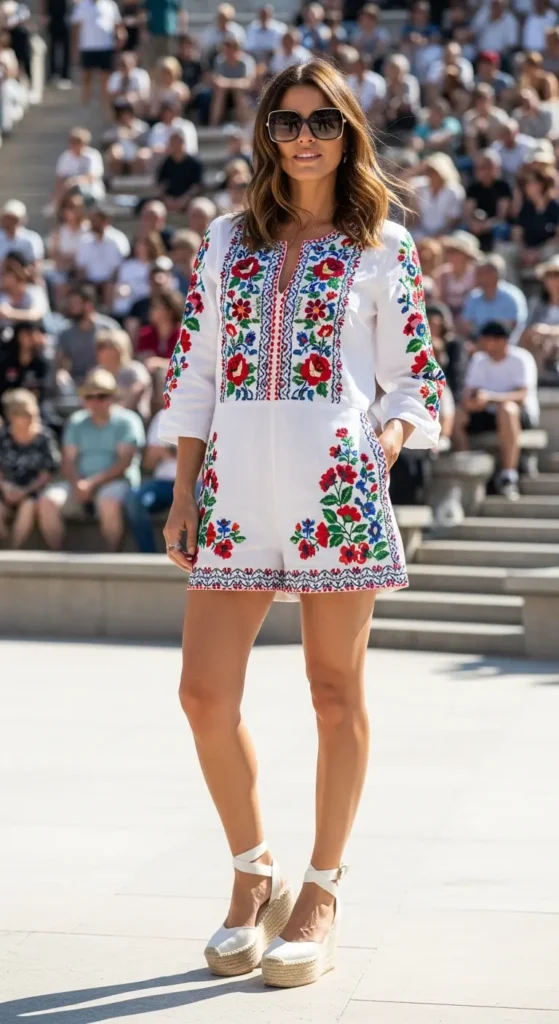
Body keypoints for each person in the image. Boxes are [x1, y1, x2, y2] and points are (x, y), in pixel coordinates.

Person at [158, 59, 444, 987]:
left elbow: (413, 374)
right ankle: (253, 875)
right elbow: (195, 374)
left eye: (323, 120)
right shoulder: (223, 240)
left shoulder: (380, 244)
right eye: (286, 122)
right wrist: (181, 489)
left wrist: (385, 441)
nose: (305, 136)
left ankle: (321, 889)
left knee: (332, 694)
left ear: (349, 130)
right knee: (203, 696)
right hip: (233, 490)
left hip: (336, 491)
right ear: (266, 135)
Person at [38, 367, 145, 550]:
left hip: (117, 482)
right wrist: (78, 484)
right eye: (90, 397)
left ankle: (111, 562)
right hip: (80, 483)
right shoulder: (76, 421)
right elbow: (68, 460)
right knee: (47, 501)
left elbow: (124, 463)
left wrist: (92, 483)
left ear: (112, 397)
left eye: (101, 396)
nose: (95, 402)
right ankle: (59, 561)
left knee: (108, 502)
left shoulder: (128, 421)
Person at [454, 320, 539, 500]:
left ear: (502, 341)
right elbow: (470, 392)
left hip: (519, 415)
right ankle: (465, 467)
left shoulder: (521, 358)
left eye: (487, 339)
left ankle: (509, 475)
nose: (483, 343)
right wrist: (471, 402)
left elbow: (522, 395)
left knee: (507, 410)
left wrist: (491, 398)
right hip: (487, 413)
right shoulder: (479, 359)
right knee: (458, 415)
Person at [0, 389, 60, 548]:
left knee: (28, 506)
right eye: (26, 414)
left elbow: (46, 474)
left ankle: (13, 551)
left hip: (34, 490)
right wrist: (5, 487)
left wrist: (24, 491)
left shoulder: (44, 437)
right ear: (12, 417)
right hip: (7, 490)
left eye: (34, 412)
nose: (32, 417)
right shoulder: (3, 438)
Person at [124, 406, 177, 551]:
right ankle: (148, 554)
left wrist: (169, 451)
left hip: (199, 484)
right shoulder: (163, 414)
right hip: (164, 484)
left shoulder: (209, 413)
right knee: (135, 498)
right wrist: (181, 452)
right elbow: (148, 462)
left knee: (206, 502)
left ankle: (199, 559)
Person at [56, 283, 120, 387]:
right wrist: (62, 374)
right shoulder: (66, 332)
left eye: (75, 303)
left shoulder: (109, 328)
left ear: (88, 305)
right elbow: (63, 362)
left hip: (106, 379)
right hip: (76, 383)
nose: (71, 307)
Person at [459, 254, 527, 344]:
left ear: (493, 274)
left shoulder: (512, 297)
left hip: (507, 347)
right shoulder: (473, 297)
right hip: (479, 346)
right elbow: (466, 326)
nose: (475, 275)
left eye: (480, 272)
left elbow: (515, 327)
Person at [71, 0, 126, 108]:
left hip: (106, 46)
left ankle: (104, 105)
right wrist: (75, 49)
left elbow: (118, 24)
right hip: (87, 47)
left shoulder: (110, 5)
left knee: (105, 78)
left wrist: (120, 36)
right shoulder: (82, 5)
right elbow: (76, 28)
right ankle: (86, 103)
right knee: (86, 76)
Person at [95, 326, 152, 420]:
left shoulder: (134, 369)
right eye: (99, 347)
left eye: (104, 347)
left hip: (133, 418)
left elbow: (140, 387)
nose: (100, 352)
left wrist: (118, 409)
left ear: (119, 349)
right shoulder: (97, 372)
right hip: (103, 419)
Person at [521, 253, 559, 376]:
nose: (553, 280)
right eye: (550, 275)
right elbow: (528, 327)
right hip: (539, 344)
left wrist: (547, 331)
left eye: (557, 275)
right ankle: (536, 378)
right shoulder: (536, 303)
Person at [51, 127, 106, 212]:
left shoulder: (93, 155)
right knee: (70, 200)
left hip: (91, 192)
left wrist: (74, 181)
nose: (75, 145)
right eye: (73, 142)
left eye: (78, 142)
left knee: (76, 201)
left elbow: (92, 177)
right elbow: (60, 179)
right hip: (69, 192)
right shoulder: (65, 157)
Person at [0, 320, 50, 409]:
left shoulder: (41, 363)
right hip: (7, 407)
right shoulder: (5, 361)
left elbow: (42, 390)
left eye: (30, 334)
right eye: (24, 334)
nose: (27, 338)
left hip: (32, 407)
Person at [209, 35, 256, 127]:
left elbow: (248, 83)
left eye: (231, 49)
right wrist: (234, 83)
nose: (228, 53)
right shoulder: (220, 60)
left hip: (245, 94)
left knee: (237, 92)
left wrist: (228, 83)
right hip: (224, 93)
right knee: (220, 93)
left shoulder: (246, 61)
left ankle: (244, 125)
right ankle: (214, 124)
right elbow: (217, 81)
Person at [157, 130, 203, 213]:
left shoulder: (195, 163)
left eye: (178, 142)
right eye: (173, 143)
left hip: (189, 201)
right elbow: (160, 184)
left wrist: (184, 200)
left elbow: (197, 186)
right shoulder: (166, 163)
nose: (175, 146)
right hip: (169, 201)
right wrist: (167, 199)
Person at [0, 200, 44, 266]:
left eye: (14, 219)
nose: (10, 222)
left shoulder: (33, 238)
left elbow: (36, 265)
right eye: (7, 218)